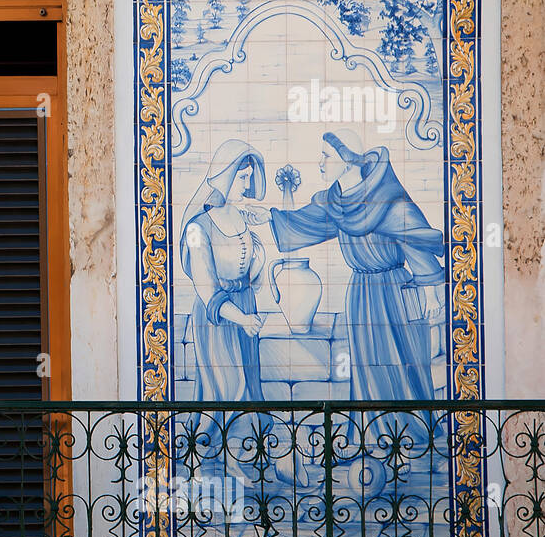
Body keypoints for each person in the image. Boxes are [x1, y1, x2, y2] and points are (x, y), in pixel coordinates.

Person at [246, 130, 443, 406]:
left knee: (402, 362)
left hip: (394, 292)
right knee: (368, 364)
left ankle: (410, 432)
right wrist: (269, 216)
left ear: (347, 160)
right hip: (361, 295)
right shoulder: (335, 203)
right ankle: (374, 429)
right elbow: (305, 222)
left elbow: (415, 240)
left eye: (327, 156)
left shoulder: (387, 199)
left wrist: (431, 293)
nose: (321, 162)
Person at [180, 139, 269, 412]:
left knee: (251, 388)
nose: (246, 185)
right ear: (224, 177)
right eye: (242, 178)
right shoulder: (198, 228)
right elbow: (206, 288)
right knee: (228, 388)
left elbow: (253, 275)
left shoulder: (242, 216)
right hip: (218, 319)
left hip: (246, 309)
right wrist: (241, 319)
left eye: (249, 178)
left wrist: (260, 253)